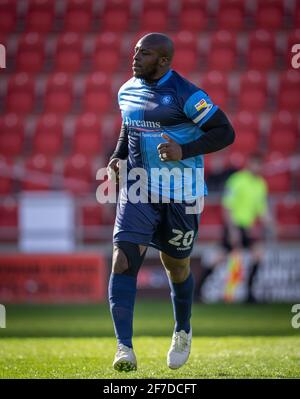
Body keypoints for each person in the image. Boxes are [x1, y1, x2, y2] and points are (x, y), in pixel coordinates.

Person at [106, 33, 235, 372]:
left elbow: (225, 131)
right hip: (138, 190)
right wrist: (117, 157)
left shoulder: (187, 95)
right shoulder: (126, 90)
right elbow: (128, 126)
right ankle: (124, 348)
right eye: (134, 50)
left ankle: (182, 328)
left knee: (176, 265)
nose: (135, 57)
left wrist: (184, 151)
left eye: (144, 53)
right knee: (122, 260)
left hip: (182, 194)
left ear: (163, 61)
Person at [195, 153, 274, 303]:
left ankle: (250, 294)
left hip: (247, 228)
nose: (257, 168)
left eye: (260, 165)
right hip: (234, 226)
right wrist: (232, 230)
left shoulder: (260, 184)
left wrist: (271, 224)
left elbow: (262, 210)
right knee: (220, 258)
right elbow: (227, 206)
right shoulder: (237, 180)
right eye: (255, 164)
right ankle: (197, 291)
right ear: (249, 164)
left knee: (258, 255)